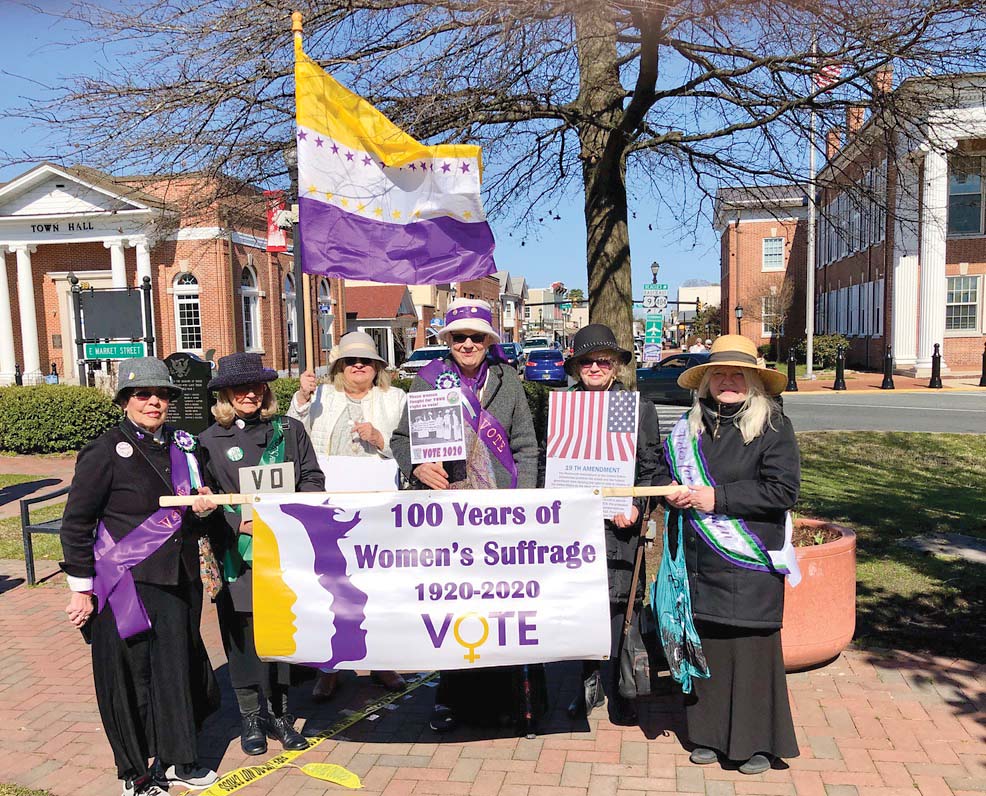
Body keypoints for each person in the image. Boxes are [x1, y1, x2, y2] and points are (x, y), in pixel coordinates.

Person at [60, 358, 219, 796]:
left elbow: (193, 512)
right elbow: (76, 523)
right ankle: (136, 772)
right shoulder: (105, 449)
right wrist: (82, 590)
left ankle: (178, 760)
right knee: (130, 678)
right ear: (125, 400)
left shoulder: (186, 446)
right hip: (125, 583)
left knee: (178, 670)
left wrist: (205, 507)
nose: (153, 402)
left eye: (162, 394)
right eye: (143, 394)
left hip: (178, 575)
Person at [391, 298, 543, 734]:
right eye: (460, 337)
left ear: (489, 341)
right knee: (455, 604)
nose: (469, 343)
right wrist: (416, 466)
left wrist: (523, 503)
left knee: (499, 605)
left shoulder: (508, 382)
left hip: (499, 514)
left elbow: (526, 448)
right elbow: (402, 440)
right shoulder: (427, 381)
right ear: (449, 342)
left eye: (477, 337)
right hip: (447, 514)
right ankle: (452, 698)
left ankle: (504, 701)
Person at [652, 334, 800, 775]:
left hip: (747, 559)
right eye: (720, 374)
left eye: (738, 374)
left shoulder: (773, 426)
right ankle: (709, 736)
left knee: (751, 651)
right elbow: (663, 471)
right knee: (708, 646)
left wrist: (717, 499)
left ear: (753, 380)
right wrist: (670, 494)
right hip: (700, 563)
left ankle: (758, 743)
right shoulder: (687, 426)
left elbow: (782, 489)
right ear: (706, 382)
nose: (728, 381)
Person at [197, 353, 325, 756]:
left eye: (257, 386)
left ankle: (283, 715)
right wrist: (239, 525)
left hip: (284, 551)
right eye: (240, 388)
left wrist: (289, 515)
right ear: (225, 394)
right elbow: (207, 501)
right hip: (236, 553)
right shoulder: (207, 442)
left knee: (283, 631)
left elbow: (312, 479)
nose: (249, 394)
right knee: (242, 637)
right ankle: (251, 715)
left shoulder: (289, 429)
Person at [288, 331, 408, 700]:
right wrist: (302, 399)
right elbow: (293, 435)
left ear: (377, 367)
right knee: (332, 587)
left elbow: (411, 449)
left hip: (378, 510)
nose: (359, 366)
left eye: (366, 361)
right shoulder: (322, 396)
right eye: (351, 361)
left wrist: (381, 439)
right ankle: (331, 666)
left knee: (378, 587)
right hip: (331, 508)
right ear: (340, 367)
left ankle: (383, 660)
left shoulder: (395, 399)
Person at [557, 324, 661, 724]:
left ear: (616, 367)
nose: (595, 367)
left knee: (620, 602)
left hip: (619, 522)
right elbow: (556, 465)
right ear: (577, 367)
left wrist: (635, 503)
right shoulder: (566, 406)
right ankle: (588, 684)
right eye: (587, 361)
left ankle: (622, 684)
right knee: (581, 603)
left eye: (604, 360)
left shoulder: (631, 407)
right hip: (576, 522)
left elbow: (649, 464)